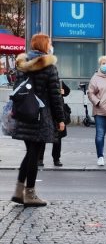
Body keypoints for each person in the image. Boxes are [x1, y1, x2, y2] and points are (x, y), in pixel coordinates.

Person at [11, 33, 65, 207]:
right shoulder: (49, 66)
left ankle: (19, 191)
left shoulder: (22, 65)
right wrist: (60, 119)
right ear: (44, 45)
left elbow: (16, 89)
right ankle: (30, 193)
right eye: (49, 42)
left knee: (30, 152)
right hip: (41, 115)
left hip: (24, 113)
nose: (51, 45)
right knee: (34, 154)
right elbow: (55, 95)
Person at [38, 81, 70, 167]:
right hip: (44, 112)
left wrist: (63, 92)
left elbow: (67, 91)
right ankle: (40, 159)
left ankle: (56, 159)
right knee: (42, 137)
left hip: (57, 112)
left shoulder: (58, 81)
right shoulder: (40, 81)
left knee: (57, 138)